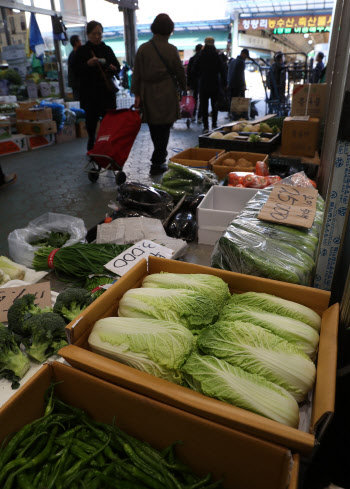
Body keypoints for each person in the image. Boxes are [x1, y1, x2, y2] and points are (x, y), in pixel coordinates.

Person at [131, 13, 186, 175]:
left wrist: (137, 94)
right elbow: (179, 72)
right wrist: (184, 87)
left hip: (148, 93)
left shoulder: (143, 48)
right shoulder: (171, 49)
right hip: (167, 92)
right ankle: (159, 158)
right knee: (165, 126)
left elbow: (137, 74)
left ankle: (159, 156)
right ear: (169, 31)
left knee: (154, 126)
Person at [73, 21, 120, 151]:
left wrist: (112, 68)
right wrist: (88, 64)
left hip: (106, 92)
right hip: (90, 93)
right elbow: (75, 71)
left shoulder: (107, 49)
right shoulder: (82, 51)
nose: (97, 36)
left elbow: (117, 67)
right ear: (88, 34)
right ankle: (91, 142)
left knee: (108, 121)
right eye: (94, 34)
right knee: (91, 120)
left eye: (99, 33)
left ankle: (107, 144)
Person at [194, 37, 226, 133]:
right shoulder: (216, 55)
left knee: (204, 105)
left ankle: (206, 126)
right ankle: (214, 124)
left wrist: (200, 76)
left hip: (203, 83)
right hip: (215, 83)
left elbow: (195, 69)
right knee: (214, 105)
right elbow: (222, 70)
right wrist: (224, 84)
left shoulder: (201, 55)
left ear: (205, 43)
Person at [186, 43, 202, 123]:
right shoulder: (203, 58)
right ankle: (200, 117)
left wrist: (188, 83)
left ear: (196, 50)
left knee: (194, 99)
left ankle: (193, 115)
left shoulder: (192, 58)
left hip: (194, 82)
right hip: (202, 82)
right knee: (202, 99)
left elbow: (188, 72)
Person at [68, 35, 82, 101]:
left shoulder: (73, 54)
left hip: (76, 83)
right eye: (80, 40)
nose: (81, 42)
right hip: (77, 83)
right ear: (76, 42)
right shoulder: (74, 55)